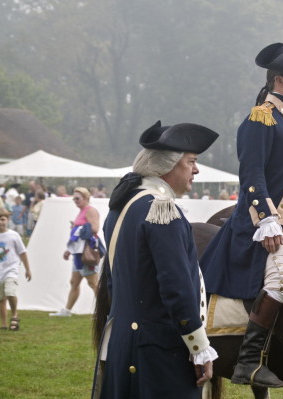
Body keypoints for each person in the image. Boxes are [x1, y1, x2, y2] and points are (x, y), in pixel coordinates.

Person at [200, 11, 283, 389]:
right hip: (267, 225)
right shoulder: (261, 118)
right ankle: (248, 361)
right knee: (281, 280)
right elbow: (253, 177)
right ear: (280, 80)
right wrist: (267, 221)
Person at [91, 121, 219, 398]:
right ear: (169, 166)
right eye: (191, 162)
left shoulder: (123, 206)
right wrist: (198, 348)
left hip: (123, 342)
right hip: (158, 351)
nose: (196, 170)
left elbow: (114, 284)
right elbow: (177, 287)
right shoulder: (162, 211)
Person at [50, 187, 102, 317]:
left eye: (77, 198)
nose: (75, 201)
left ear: (85, 198)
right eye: (74, 198)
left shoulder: (90, 210)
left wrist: (77, 228)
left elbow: (95, 228)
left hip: (86, 254)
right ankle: (67, 310)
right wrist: (69, 249)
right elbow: (79, 233)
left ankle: (104, 310)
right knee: (74, 282)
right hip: (78, 253)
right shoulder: (81, 211)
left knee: (93, 283)